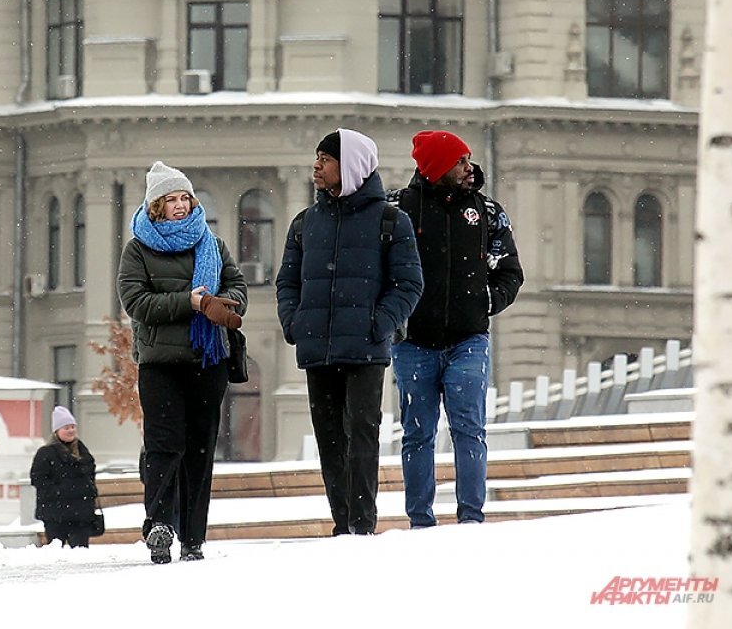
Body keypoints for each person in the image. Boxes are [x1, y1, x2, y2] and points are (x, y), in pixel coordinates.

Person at [276, 129, 423, 536]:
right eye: (317, 158)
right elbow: (286, 283)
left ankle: (362, 526)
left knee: (361, 437)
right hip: (318, 349)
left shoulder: (392, 220)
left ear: (352, 165)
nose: (316, 166)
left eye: (326, 158)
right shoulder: (305, 222)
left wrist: (378, 323)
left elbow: (408, 284)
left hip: (365, 350)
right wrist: (294, 323)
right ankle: (341, 524)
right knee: (329, 440)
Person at [390, 130, 524, 528]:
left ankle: (471, 518)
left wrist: (485, 302)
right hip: (413, 342)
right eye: (460, 162)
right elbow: (377, 271)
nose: (470, 168)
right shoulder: (397, 211)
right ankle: (420, 520)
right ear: (435, 167)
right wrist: (393, 315)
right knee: (417, 433)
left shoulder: (487, 212)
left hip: (469, 340)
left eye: (468, 160)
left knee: (469, 427)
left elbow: (510, 272)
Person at [117, 160, 247, 564]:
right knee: (163, 445)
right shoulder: (138, 249)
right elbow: (135, 303)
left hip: (208, 361)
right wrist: (187, 302)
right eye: (170, 199)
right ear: (155, 205)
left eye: (184, 198)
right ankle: (159, 524)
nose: (179, 205)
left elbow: (237, 285)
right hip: (160, 364)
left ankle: (193, 537)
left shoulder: (213, 243)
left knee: (201, 450)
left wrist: (225, 305)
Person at [30, 405, 99, 547]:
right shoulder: (46, 453)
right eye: (66, 427)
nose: (71, 430)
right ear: (57, 431)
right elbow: (38, 479)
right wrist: (60, 491)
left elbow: (90, 474)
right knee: (56, 552)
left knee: (80, 553)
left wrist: (88, 491)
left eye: (72, 427)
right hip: (56, 514)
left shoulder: (83, 451)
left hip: (81, 515)